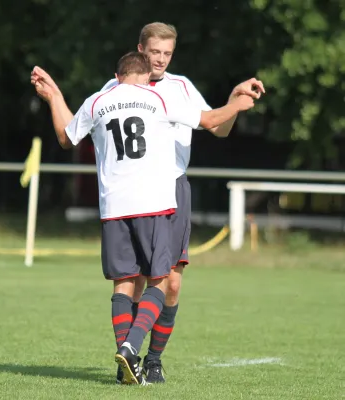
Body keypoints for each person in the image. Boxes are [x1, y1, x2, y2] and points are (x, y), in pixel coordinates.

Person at [31, 51, 256, 385]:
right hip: (153, 204)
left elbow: (66, 137)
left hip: (113, 208)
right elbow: (210, 122)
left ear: (117, 75)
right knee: (160, 282)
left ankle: (127, 373)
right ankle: (131, 347)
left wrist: (54, 96)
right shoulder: (158, 98)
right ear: (145, 76)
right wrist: (238, 104)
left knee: (124, 285)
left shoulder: (98, 100)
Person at [99, 22, 266, 383]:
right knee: (135, 280)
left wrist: (234, 103)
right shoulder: (115, 88)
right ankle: (128, 356)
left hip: (172, 190)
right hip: (132, 193)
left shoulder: (181, 87)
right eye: (153, 52)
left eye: (166, 53)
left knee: (170, 282)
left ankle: (152, 359)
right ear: (139, 50)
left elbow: (217, 127)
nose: (159, 60)